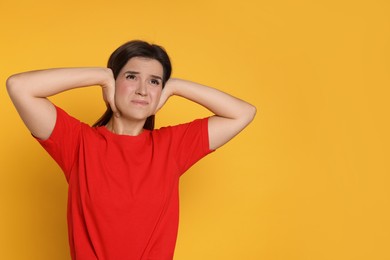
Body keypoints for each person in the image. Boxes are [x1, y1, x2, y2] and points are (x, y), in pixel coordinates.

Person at [6, 40, 256, 260]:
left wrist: (176, 86)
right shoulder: (78, 143)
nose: (143, 90)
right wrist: (101, 76)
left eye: (154, 81)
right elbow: (19, 86)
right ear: (114, 83)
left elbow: (243, 113)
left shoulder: (171, 147)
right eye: (131, 76)